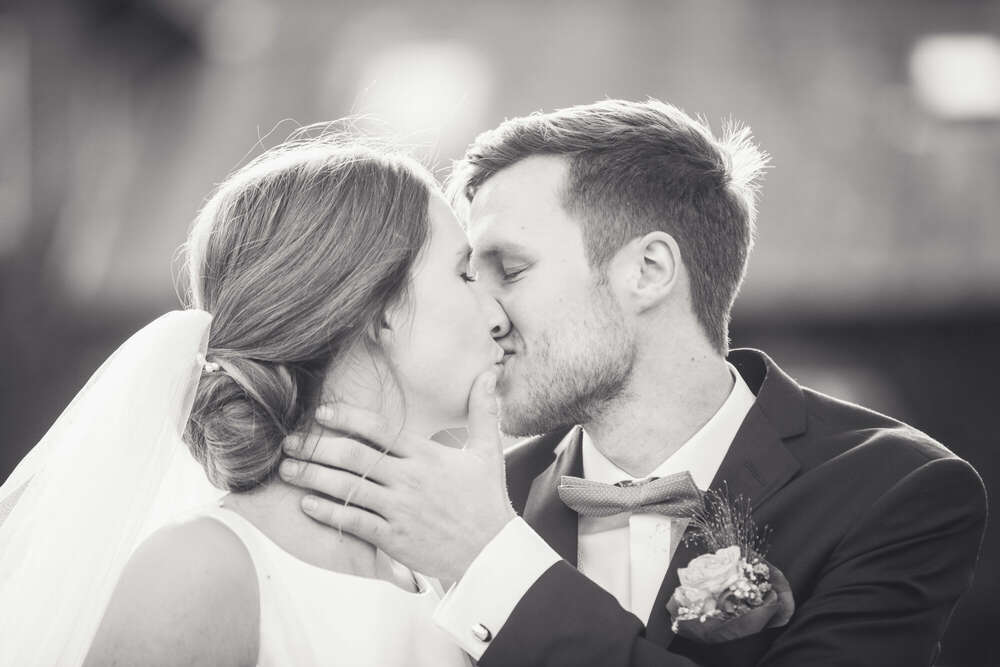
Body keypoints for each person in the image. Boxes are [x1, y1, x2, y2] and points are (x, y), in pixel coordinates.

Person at [282, 100, 989, 666]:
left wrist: (494, 563)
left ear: (648, 270)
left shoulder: (899, 490)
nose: (483, 312)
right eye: (469, 274)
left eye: (511, 269)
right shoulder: (476, 498)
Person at [0, 128, 507, 665]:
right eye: (466, 272)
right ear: (375, 306)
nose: (499, 316)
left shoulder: (440, 575)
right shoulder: (200, 571)